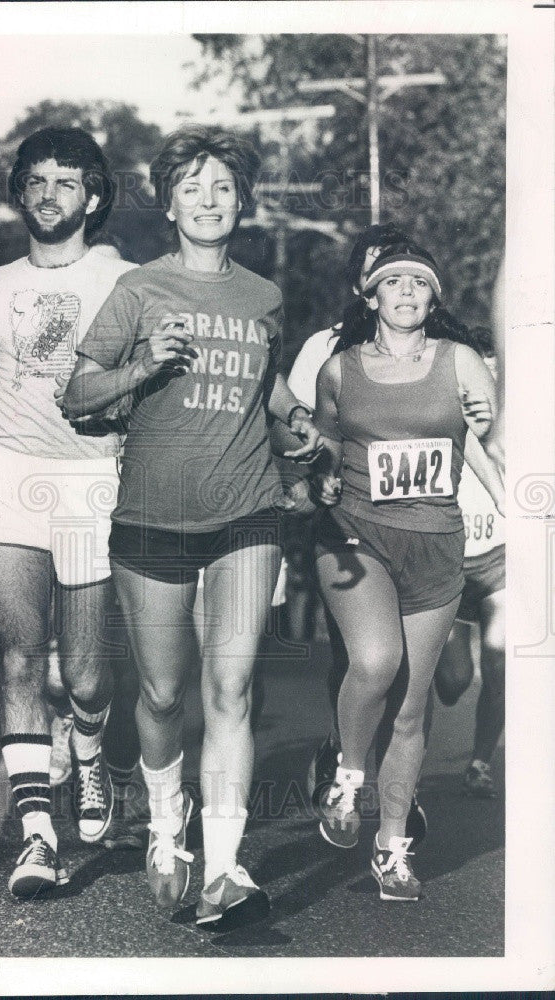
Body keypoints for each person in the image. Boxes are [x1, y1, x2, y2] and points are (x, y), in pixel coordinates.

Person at [64, 124, 321, 929]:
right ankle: (166, 826)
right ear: (168, 201)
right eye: (192, 188)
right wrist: (143, 366)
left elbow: (267, 384)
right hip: (151, 515)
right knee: (164, 691)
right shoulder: (139, 289)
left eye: (222, 188)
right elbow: (77, 394)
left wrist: (298, 420)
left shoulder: (262, 294)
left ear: (241, 201)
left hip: (248, 510)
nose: (208, 201)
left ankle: (223, 869)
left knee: (232, 687)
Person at [0, 127, 136, 897]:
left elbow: (146, 386)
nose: (49, 195)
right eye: (37, 181)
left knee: (81, 678)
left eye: (67, 183)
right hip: (11, 475)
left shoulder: (127, 281)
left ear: (94, 196)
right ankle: (37, 837)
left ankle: (89, 759)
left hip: (91, 481)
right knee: (16, 657)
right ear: (20, 191)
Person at [310, 242, 497, 901]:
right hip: (354, 534)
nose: (408, 291)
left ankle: (391, 848)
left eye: (421, 282)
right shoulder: (338, 370)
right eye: (394, 282)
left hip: (435, 541)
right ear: (370, 298)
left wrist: (488, 428)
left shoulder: (460, 361)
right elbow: (325, 445)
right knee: (375, 661)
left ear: (433, 298)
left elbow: (489, 438)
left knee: (413, 706)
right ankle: (347, 777)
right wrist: (322, 473)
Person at [270, 224, 431, 844]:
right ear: (360, 287)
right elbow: (297, 427)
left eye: (403, 269)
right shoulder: (325, 348)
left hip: (421, 527)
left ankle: (399, 789)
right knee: (363, 657)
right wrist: (316, 473)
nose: (392, 281)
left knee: (418, 668)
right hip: (344, 524)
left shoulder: (436, 344)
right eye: (377, 270)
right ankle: (344, 752)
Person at [434, 328, 505, 797]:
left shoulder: (520, 422)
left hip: (503, 560)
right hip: (455, 563)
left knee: (502, 665)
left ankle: (480, 762)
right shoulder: (447, 419)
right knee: (455, 681)